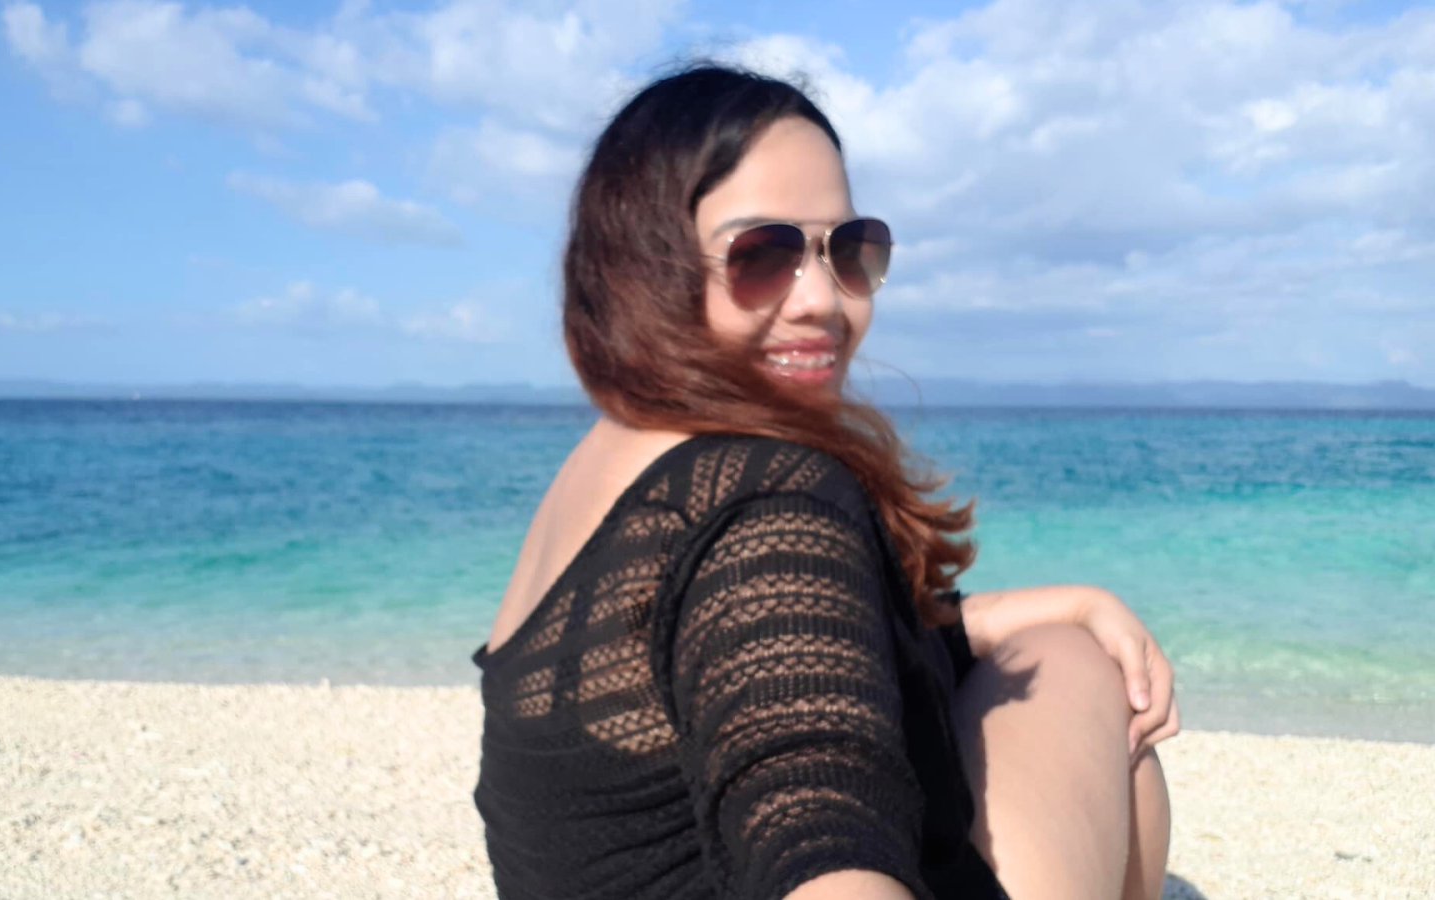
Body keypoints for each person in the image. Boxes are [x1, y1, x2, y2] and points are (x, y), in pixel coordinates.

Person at [471, 63, 1179, 900]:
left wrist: (1046, 606)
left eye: (847, 251)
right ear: (644, 267)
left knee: (1059, 649)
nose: (821, 300)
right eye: (761, 255)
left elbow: (765, 649)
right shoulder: (765, 496)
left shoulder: (621, 458)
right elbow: (813, 812)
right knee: (1080, 680)